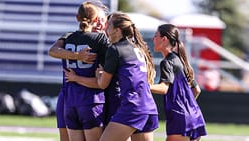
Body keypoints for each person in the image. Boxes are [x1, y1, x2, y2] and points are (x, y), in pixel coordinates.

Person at [48, 1, 109, 141]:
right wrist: (78, 56)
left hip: (73, 99)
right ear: (94, 20)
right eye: (98, 20)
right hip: (88, 99)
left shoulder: (70, 37)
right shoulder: (99, 39)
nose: (100, 23)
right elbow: (52, 51)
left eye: (103, 20)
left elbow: (53, 50)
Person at [95, 12, 158, 141]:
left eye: (109, 27)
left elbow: (102, 84)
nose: (106, 30)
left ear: (117, 30)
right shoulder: (137, 48)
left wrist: (99, 74)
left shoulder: (115, 49)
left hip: (133, 107)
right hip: (149, 107)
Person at [150, 24, 206, 141]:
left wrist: (142, 85)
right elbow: (196, 90)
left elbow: (163, 88)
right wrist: (187, 108)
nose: (153, 39)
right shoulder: (180, 60)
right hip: (195, 116)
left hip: (180, 119)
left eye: (155, 36)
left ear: (164, 39)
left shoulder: (167, 62)